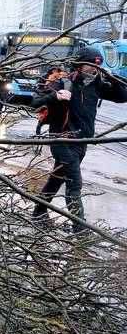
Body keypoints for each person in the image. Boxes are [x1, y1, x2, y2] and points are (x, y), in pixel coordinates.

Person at [30, 47, 127, 232]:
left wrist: (112, 78)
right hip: (62, 140)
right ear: (80, 64)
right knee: (74, 184)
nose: (94, 69)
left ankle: (38, 212)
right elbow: (34, 102)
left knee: (57, 178)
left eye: (98, 65)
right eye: (91, 65)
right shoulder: (63, 82)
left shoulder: (97, 84)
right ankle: (79, 230)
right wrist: (55, 96)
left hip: (81, 142)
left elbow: (123, 96)